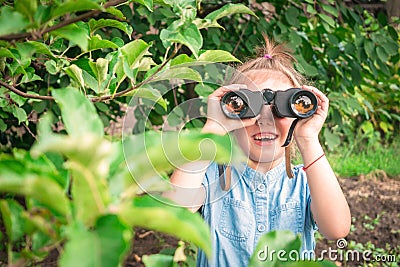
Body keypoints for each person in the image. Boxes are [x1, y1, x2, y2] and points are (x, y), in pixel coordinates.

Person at [163, 36, 351, 266]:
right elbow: (173, 213)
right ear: (231, 115)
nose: (265, 120)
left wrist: (309, 139)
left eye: (281, 108)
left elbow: (337, 228)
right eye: (249, 107)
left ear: (299, 116)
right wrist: (213, 128)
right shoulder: (213, 177)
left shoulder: (306, 182)